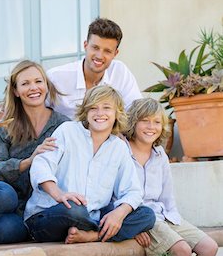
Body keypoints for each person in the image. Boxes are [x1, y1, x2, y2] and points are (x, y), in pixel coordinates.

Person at [24, 85, 155, 244]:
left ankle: (92, 236)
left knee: (147, 215)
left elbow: (133, 191)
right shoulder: (67, 131)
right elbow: (41, 165)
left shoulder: (119, 147)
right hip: (48, 216)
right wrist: (59, 194)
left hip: (89, 217)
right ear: (86, 112)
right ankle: (105, 232)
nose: (100, 113)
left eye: (106, 108)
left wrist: (119, 215)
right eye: (93, 108)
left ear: (116, 114)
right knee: (75, 210)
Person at [0, 60, 70, 244]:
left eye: (38, 81)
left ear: (46, 85)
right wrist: (27, 161)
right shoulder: (4, 126)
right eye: (25, 83)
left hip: (27, 208)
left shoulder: (63, 125)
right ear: (16, 91)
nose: (33, 88)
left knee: (12, 229)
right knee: (5, 196)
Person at [126, 98, 218, 256]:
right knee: (182, 250)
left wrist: (174, 220)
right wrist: (133, 226)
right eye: (144, 121)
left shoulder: (160, 153)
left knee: (209, 247)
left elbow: (167, 195)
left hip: (164, 215)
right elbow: (115, 193)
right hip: (141, 217)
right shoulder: (121, 149)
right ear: (133, 122)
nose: (151, 127)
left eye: (156, 122)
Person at [47, 17, 142, 119]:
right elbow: (36, 112)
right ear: (85, 45)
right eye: (95, 48)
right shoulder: (56, 77)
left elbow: (136, 111)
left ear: (115, 53)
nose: (99, 56)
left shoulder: (120, 72)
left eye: (107, 51)